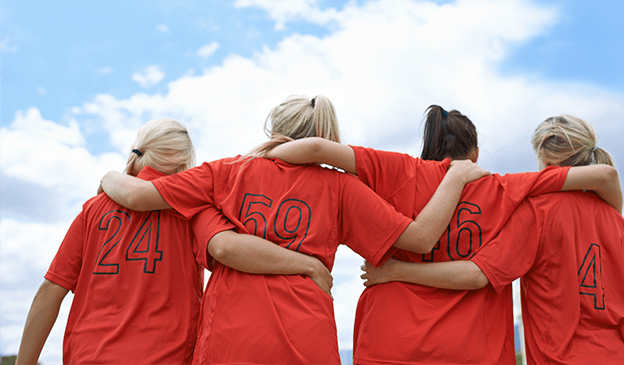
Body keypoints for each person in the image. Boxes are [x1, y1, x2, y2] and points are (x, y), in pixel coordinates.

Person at [98, 95, 489, 364]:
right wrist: (454, 176)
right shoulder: (340, 187)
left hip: (232, 340)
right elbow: (421, 238)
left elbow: (137, 197)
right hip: (308, 339)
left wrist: (110, 174)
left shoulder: (227, 171)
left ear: (274, 130)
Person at [265, 105, 623, 364]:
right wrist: (613, 230)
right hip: (474, 350)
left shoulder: (389, 168)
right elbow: (605, 177)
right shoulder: (505, 187)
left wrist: (261, 156)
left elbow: (313, 148)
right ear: (475, 153)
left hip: (388, 344)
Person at [361, 115, 624, 365]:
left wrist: (396, 271)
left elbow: (477, 275)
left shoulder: (536, 213)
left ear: (544, 158)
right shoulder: (623, 228)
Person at [15, 118, 332, 365]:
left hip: (88, 354)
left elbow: (50, 291)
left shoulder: (94, 208)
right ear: (184, 160)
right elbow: (228, 248)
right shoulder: (193, 209)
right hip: (164, 356)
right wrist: (308, 265)